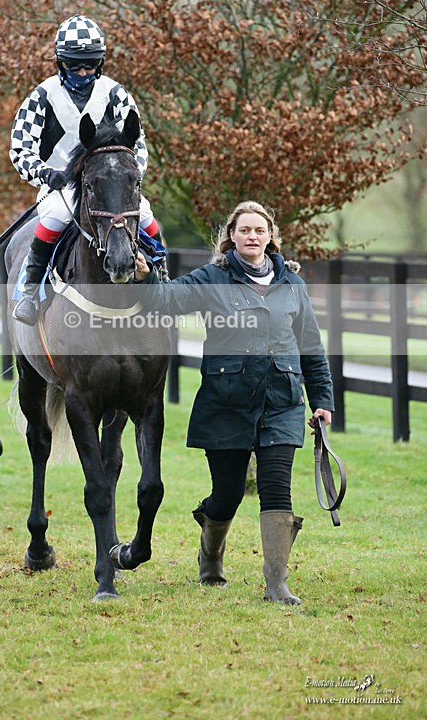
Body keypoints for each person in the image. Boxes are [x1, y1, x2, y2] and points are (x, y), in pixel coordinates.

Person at [135, 200, 334, 604]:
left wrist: (322, 400)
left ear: (270, 237)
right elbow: (167, 300)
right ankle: (210, 554)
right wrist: (144, 278)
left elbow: (311, 348)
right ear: (232, 236)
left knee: (277, 490)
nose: (252, 237)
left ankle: (276, 583)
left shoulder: (292, 285)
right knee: (225, 496)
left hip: (282, 403)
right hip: (225, 405)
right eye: (244, 230)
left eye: (259, 231)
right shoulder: (213, 278)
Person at [10, 13, 164, 325]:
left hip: (111, 184)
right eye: (74, 65)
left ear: (101, 62)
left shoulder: (115, 92)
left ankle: (162, 279)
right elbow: (19, 147)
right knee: (55, 217)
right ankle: (29, 292)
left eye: (90, 64)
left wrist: (129, 178)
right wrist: (43, 173)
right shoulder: (42, 95)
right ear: (60, 62)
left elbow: (139, 144)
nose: (83, 71)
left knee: (146, 218)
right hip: (61, 186)